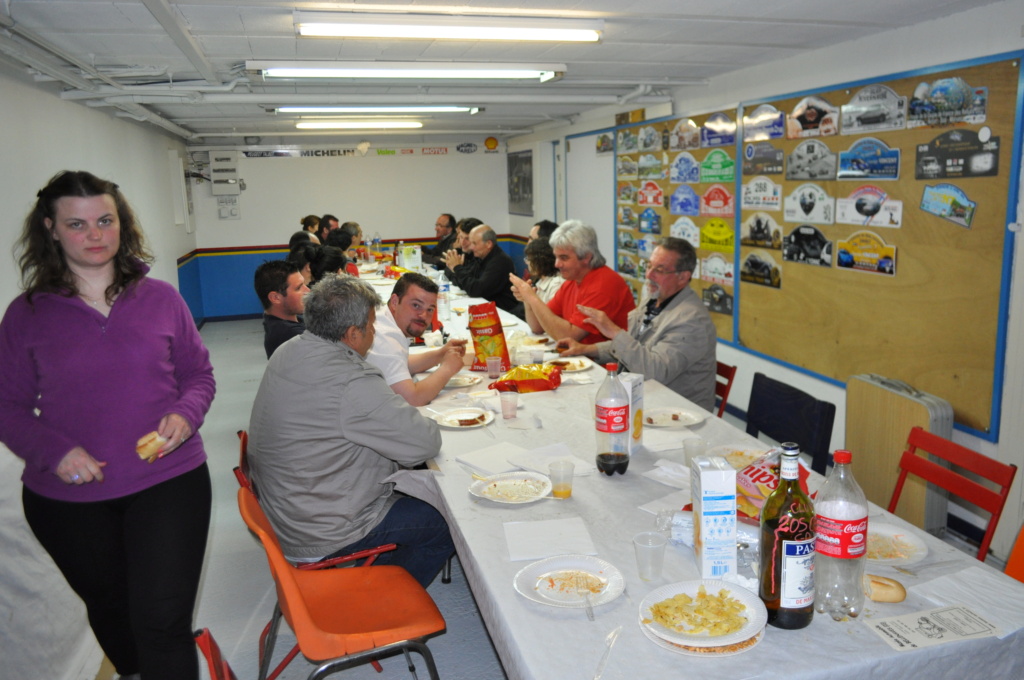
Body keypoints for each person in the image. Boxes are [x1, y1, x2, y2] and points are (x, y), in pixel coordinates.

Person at [0, 170, 216, 680]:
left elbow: (199, 375)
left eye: (105, 220)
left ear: (122, 225)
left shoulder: (161, 298)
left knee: (162, 622)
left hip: (170, 481)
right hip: (67, 500)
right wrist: (54, 451)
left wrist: (185, 415)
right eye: (77, 224)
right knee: (113, 612)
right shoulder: (26, 315)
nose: (95, 235)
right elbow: (6, 405)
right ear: (51, 229)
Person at [247, 274, 454, 588]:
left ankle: (376, 575)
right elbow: (424, 443)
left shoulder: (289, 349)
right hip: (326, 528)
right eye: (371, 325)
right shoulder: (350, 380)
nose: (374, 332)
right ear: (352, 333)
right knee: (448, 521)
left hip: (291, 509)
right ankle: (383, 597)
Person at [557, 238, 717, 411]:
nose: (649, 275)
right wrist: (584, 349)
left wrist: (614, 332)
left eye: (659, 270)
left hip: (676, 412)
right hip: (642, 396)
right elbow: (635, 347)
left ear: (683, 277)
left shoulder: (691, 320)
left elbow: (654, 372)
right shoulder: (653, 298)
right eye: (649, 266)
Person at [510, 220, 635, 344]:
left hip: (603, 363)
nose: (557, 264)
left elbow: (568, 336)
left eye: (564, 258)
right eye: (556, 257)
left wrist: (532, 298)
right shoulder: (572, 280)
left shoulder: (603, 284)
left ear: (586, 257)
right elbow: (537, 327)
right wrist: (527, 299)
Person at [365, 273, 468, 407]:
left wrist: (441, 354)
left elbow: (401, 363)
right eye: (416, 305)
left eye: (430, 309)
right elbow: (412, 399)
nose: (423, 316)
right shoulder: (385, 337)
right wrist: (448, 368)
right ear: (395, 302)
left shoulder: (384, 318)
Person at [445, 224, 519, 314]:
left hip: (503, 312)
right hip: (486, 307)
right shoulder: (481, 257)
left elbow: (476, 290)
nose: (471, 247)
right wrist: (456, 269)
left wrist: (457, 267)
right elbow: (466, 283)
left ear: (488, 244)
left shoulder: (500, 261)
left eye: (474, 243)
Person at [254, 259, 309, 359]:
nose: (308, 290)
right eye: (298, 288)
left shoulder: (277, 321)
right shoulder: (292, 335)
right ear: (275, 298)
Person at [524, 236, 563, 303]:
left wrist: (529, 297)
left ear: (540, 261)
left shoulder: (556, 285)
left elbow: (546, 312)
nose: (526, 262)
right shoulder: (540, 281)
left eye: (529, 259)